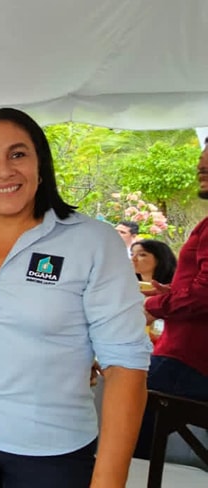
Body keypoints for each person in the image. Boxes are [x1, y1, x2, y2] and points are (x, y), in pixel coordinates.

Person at [0, 108, 151, 488]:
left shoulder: (93, 242)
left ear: (40, 165)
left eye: (17, 154)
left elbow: (125, 363)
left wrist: (108, 480)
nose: (4, 170)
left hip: (49, 447)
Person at [135, 137, 208, 457]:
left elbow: (204, 294)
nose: (201, 168)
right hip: (186, 354)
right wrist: (175, 293)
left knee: (127, 427)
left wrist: (154, 305)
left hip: (186, 358)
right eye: (201, 163)